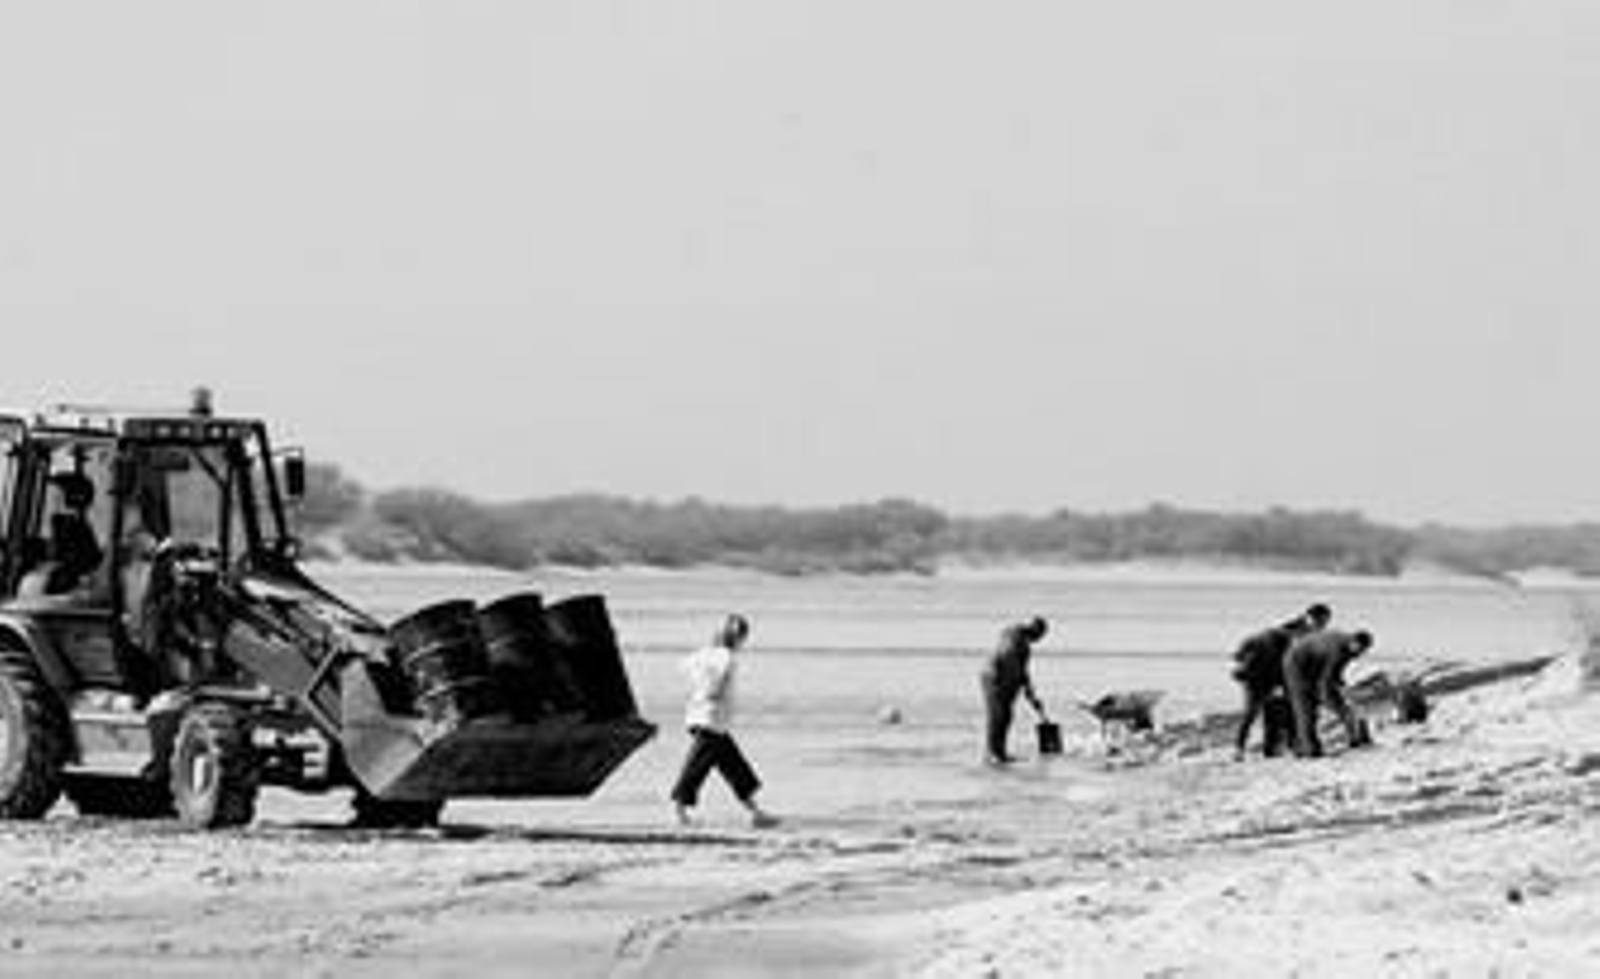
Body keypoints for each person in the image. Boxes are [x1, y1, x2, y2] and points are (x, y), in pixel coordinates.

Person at [669, 614, 779, 829]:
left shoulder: (706, 653)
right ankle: (679, 815)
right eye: (741, 637)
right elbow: (716, 683)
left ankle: (757, 814)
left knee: (736, 768)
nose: (742, 642)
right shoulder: (727, 658)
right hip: (710, 721)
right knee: (696, 769)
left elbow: (683, 666)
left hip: (706, 720)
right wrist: (712, 691)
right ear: (735, 637)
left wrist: (701, 687)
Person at [1231, 603, 1331, 760]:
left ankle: (1277, 747)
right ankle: (1241, 748)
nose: (1322, 627)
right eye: (1321, 622)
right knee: (1254, 711)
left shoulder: (1301, 631)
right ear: (1310, 618)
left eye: (1324, 623)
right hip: (1261, 674)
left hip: (1269, 674)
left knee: (1277, 710)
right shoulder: (1295, 633)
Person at [1284, 628, 1376, 758]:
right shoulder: (1337, 650)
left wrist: (1340, 687)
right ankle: (1308, 749)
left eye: (1364, 651)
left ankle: (1352, 739)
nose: (1360, 654)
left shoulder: (1348, 648)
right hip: (1296, 663)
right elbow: (1326, 682)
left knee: (1317, 706)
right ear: (1353, 642)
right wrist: (1337, 705)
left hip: (1313, 663)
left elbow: (1335, 672)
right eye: (1359, 650)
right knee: (1305, 708)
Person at [980, 616, 1048, 765]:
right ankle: (992, 753)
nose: (1038, 639)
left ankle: (1000, 752)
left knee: (1006, 716)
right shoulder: (1014, 635)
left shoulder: (1022, 644)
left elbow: (1024, 673)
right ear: (1035, 629)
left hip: (1002, 679)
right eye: (1040, 635)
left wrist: (1032, 697)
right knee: (997, 716)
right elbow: (1007, 657)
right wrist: (1027, 693)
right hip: (993, 677)